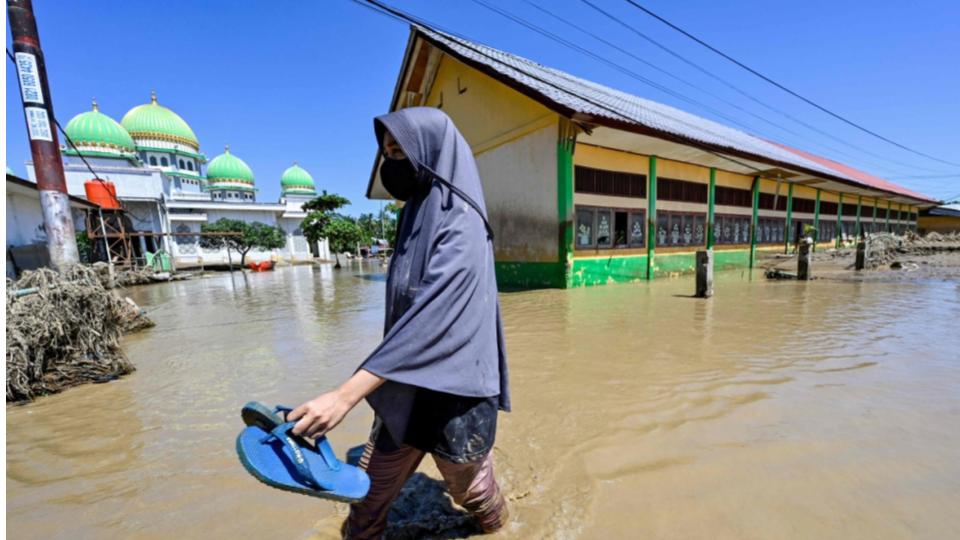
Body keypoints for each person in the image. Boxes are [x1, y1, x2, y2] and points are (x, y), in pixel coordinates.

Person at [287, 107, 510, 539]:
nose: (392, 163)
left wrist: (343, 396)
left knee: (474, 496)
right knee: (368, 499)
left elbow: (432, 318)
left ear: (431, 153)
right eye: (387, 153)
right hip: (406, 381)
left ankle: (504, 528)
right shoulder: (414, 213)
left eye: (400, 152)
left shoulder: (462, 221)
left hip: (457, 394)